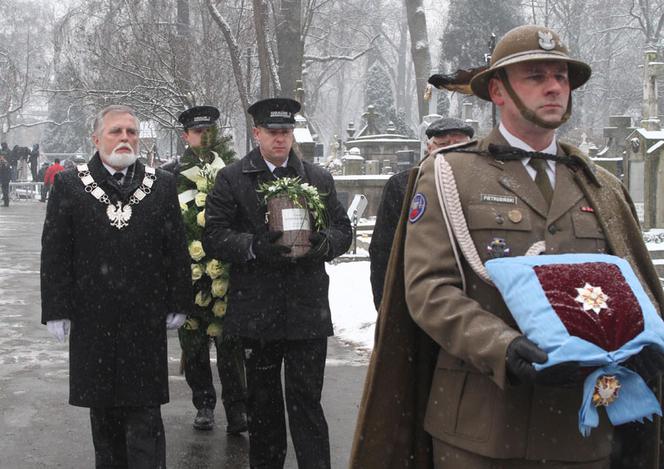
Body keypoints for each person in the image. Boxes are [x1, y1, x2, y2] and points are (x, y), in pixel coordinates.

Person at [351, 25, 664, 469]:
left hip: (583, 430)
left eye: (561, 76)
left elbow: (631, 290)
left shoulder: (599, 185)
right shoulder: (449, 174)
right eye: (535, 76)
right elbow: (427, 290)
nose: (554, 86)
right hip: (481, 428)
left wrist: (642, 345)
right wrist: (502, 348)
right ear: (497, 90)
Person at [203, 97, 352, 468]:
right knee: (264, 406)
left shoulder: (316, 178)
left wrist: (325, 243)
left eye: (285, 131)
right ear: (257, 133)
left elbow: (342, 229)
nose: (280, 139)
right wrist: (254, 247)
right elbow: (215, 236)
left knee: (307, 402)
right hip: (258, 311)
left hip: (306, 310)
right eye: (272, 132)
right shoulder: (234, 178)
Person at [41, 104, 192, 468]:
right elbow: (56, 250)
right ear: (96, 139)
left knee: (145, 420)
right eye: (116, 131)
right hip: (93, 322)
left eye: (132, 132)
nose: (125, 138)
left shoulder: (161, 185)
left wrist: (179, 299)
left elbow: (175, 248)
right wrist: (56, 309)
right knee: (105, 423)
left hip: (144, 321)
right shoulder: (70, 185)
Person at [166, 105, 248, 434]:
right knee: (194, 343)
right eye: (197, 132)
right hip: (187, 272)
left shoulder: (234, 172)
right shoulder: (171, 176)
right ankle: (203, 403)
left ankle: (237, 409)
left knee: (230, 345)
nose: (204, 137)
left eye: (209, 131)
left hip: (228, 270)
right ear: (186, 136)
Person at [369, 116, 474, 310]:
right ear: (430, 148)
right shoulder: (402, 185)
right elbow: (383, 249)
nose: (450, 150)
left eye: (459, 145)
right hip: (416, 293)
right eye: (443, 144)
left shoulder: (481, 185)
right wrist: (385, 302)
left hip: (471, 296)